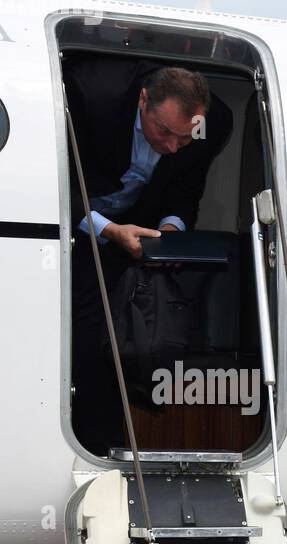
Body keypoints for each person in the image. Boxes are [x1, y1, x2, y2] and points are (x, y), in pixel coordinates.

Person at [64, 59, 233, 454]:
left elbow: (186, 188)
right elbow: (54, 182)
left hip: (142, 229)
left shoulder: (213, 124)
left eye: (184, 138)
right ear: (143, 100)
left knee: (146, 331)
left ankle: (130, 432)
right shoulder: (88, 96)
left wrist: (171, 230)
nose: (173, 146)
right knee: (90, 334)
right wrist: (107, 229)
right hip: (78, 217)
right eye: (164, 132)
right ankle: (94, 444)